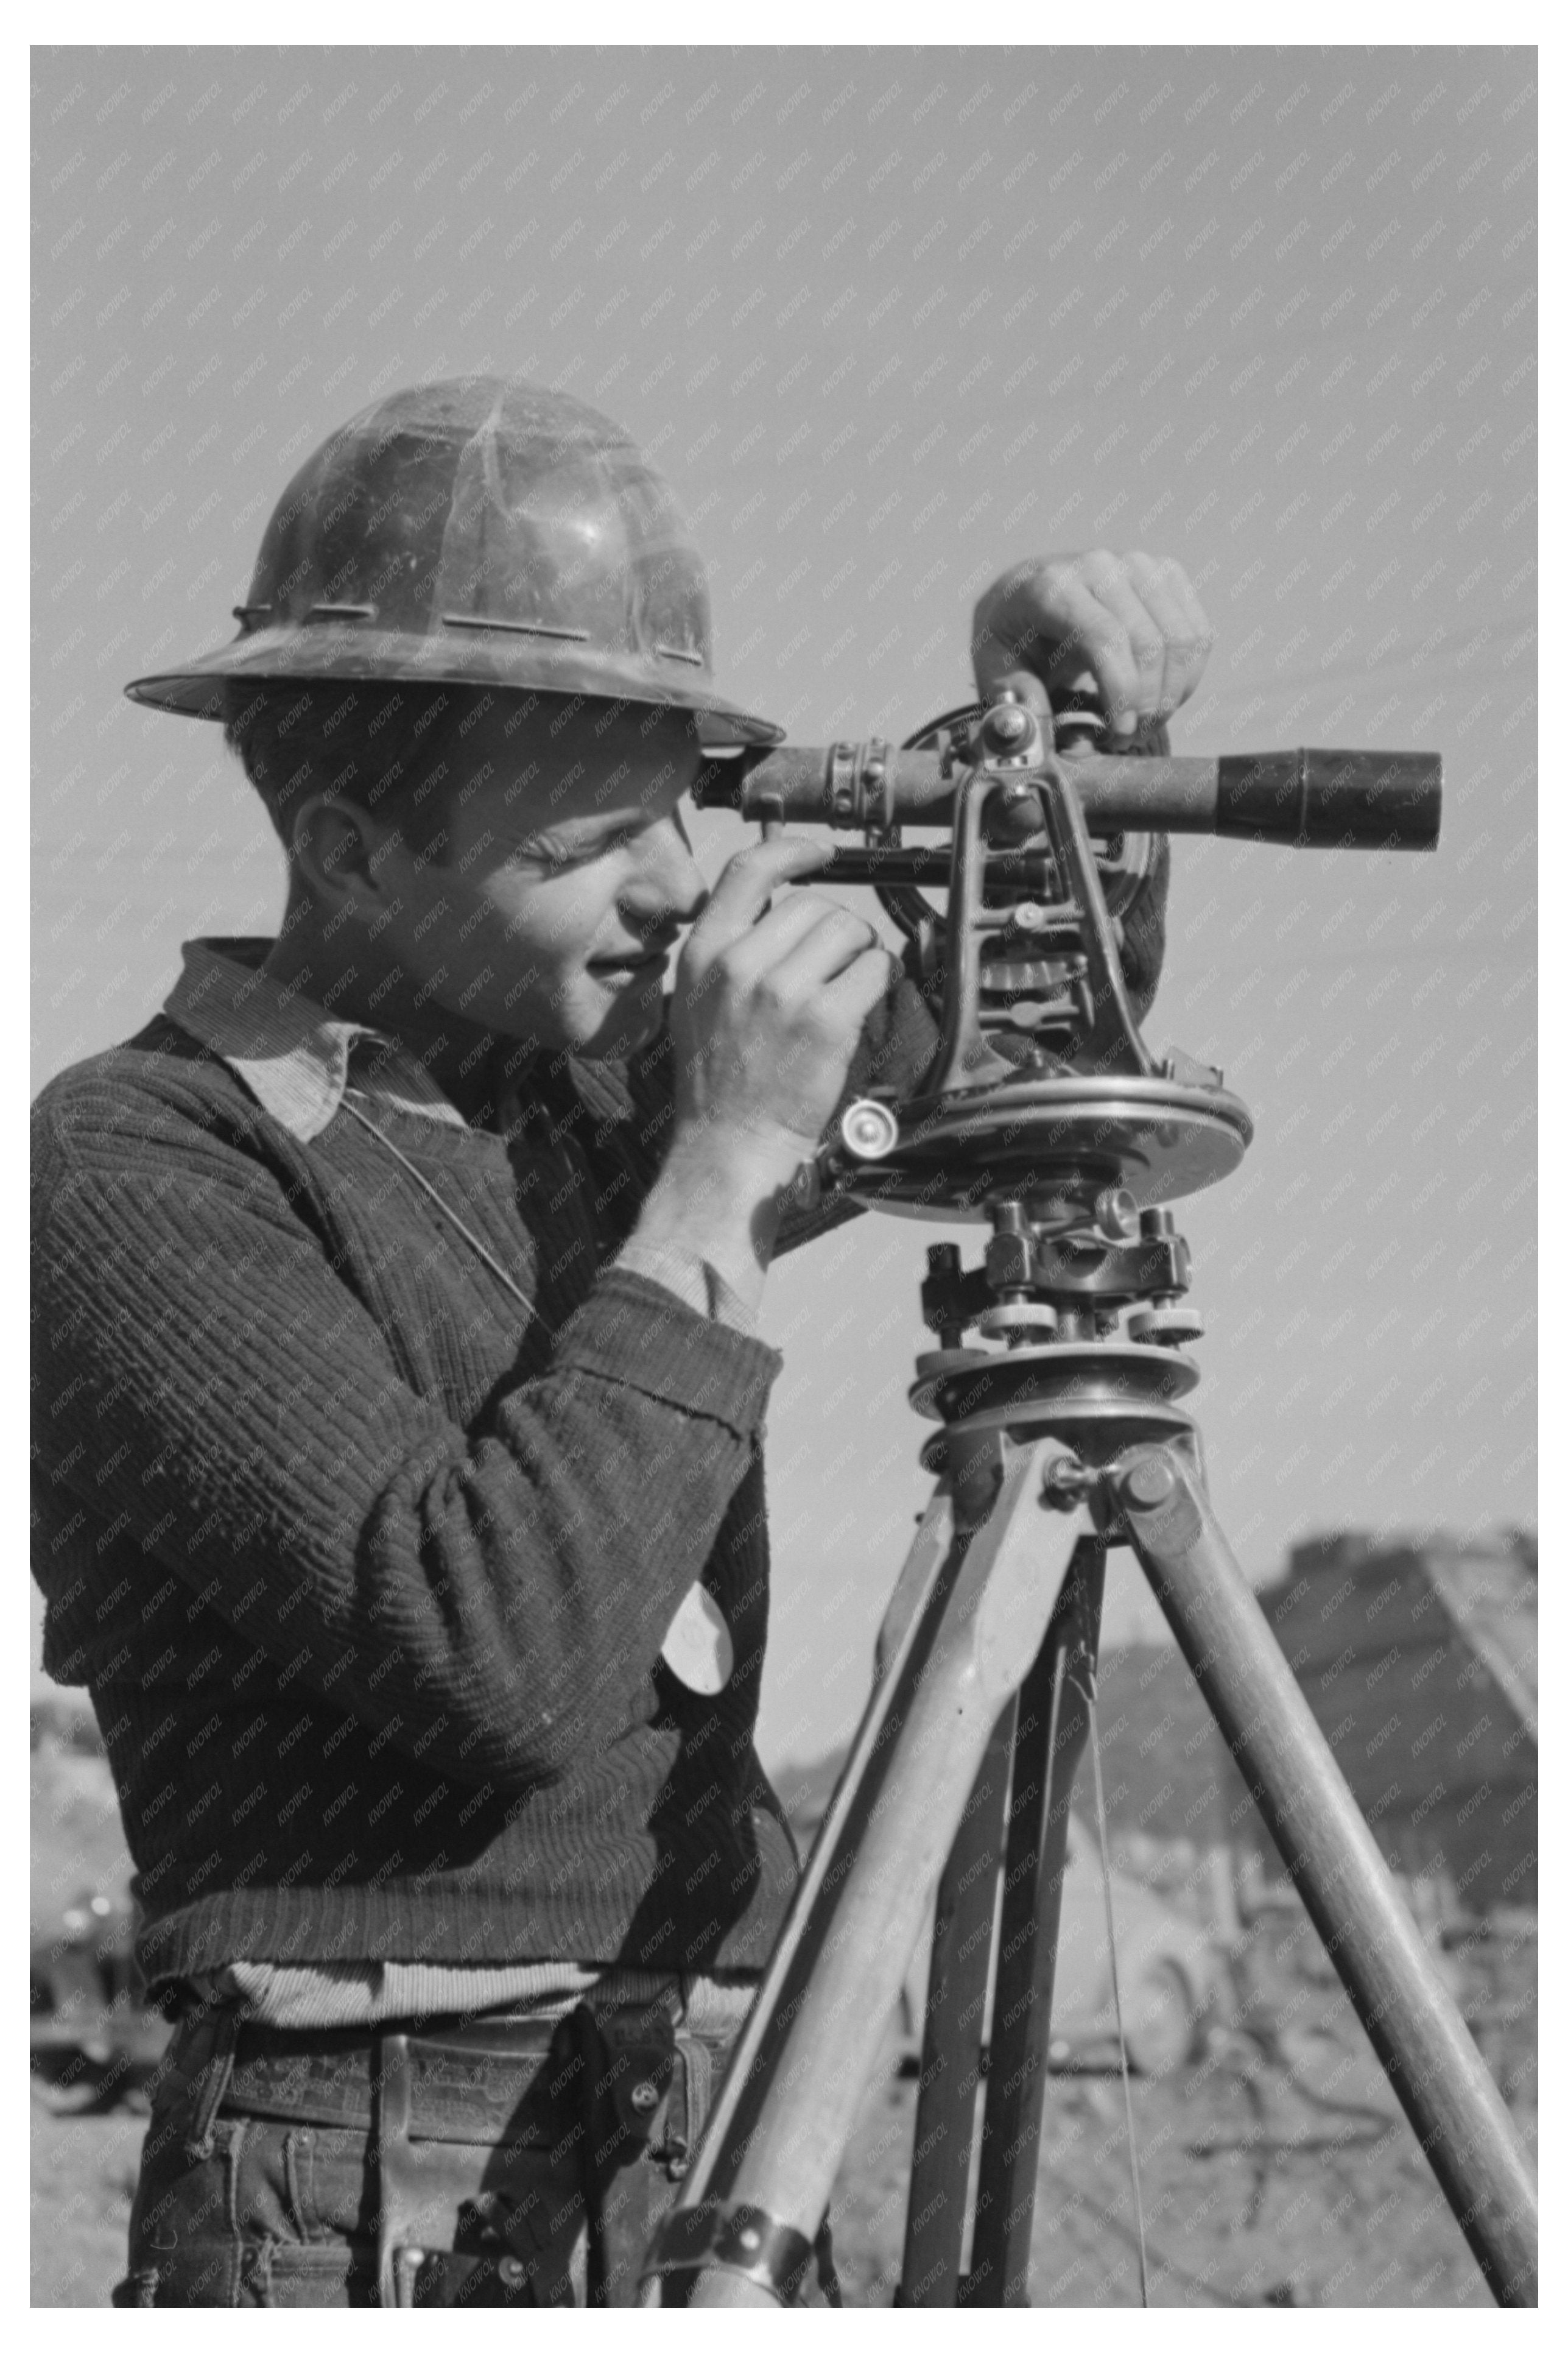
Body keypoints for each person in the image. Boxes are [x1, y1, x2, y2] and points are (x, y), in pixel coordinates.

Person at [30, 376, 1211, 2307]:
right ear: (347, 847)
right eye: (595, 836)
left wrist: (1066, 735)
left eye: (682, 801)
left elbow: (1022, 1085)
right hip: (375, 2176)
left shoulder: (601, 1088)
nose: (681, 884)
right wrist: (727, 1157)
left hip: (707, 2124)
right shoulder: (150, 1154)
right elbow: (485, 1650)